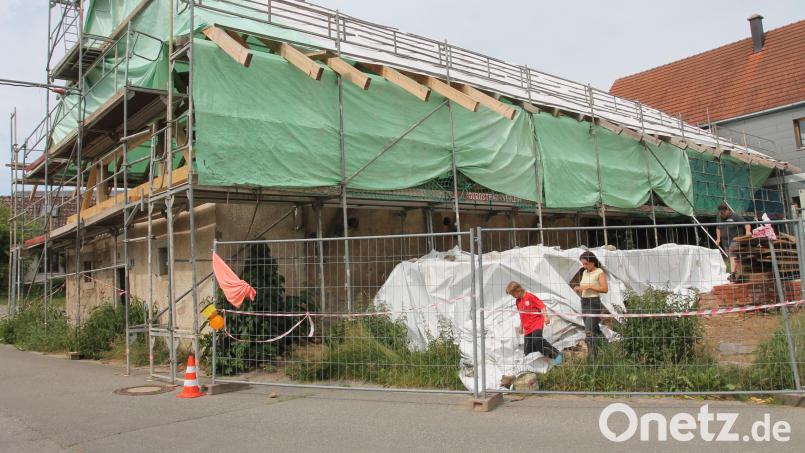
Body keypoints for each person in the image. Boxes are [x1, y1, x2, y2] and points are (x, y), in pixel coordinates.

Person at [505, 281, 563, 365]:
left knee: (537, 340)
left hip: (536, 323)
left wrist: (546, 317)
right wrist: (521, 326)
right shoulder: (518, 302)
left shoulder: (530, 297)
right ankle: (539, 366)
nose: (512, 296)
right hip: (527, 328)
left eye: (512, 294)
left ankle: (557, 355)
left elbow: (542, 306)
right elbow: (522, 315)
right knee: (528, 352)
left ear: (518, 290)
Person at [573, 251, 608, 359]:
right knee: (594, 328)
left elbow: (604, 289)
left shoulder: (599, 272)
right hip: (584, 302)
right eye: (583, 264)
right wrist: (578, 288)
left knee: (589, 331)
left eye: (586, 264)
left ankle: (593, 357)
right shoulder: (584, 272)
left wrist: (590, 286)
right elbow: (583, 286)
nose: (584, 266)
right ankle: (608, 347)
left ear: (593, 262)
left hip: (594, 303)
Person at [714, 202, 752, 277]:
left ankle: (733, 274)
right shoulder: (719, 217)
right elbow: (718, 228)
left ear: (728, 210)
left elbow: (746, 224)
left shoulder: (735, 216)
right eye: (721, 212)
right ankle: (740, 275)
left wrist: (748, 231)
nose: (722, 214)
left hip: (735, 239)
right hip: (725, 241)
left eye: (724, 212)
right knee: (734, 258)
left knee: (732, 255)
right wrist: (718, 239)